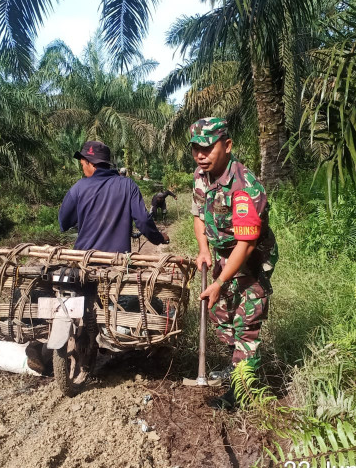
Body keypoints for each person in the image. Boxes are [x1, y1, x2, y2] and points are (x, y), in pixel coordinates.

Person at [189, 117, 278, 410]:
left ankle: (242, 392)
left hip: (250, 260)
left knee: (246, 323)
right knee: (220, 313)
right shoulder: (201, 176)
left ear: (227, 146)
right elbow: (199, 214)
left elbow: (247, 244)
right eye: (195, 149)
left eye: (207, 148)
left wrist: (218, 281)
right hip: (226, 255)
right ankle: (236, 363)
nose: (200, 155)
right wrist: (204, 249)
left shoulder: (244, 188)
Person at [59, 141, 168, 252]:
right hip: (117, 262)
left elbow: (64, 223)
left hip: (84, 260)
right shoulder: (128, 185)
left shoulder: (79, 187)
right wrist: (159, 238)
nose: (83, 169)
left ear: (90, 163)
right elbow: (143, 220)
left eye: (82, 164)